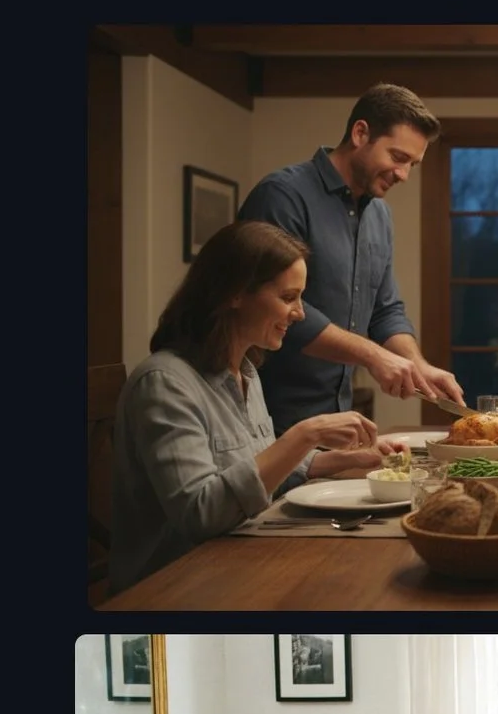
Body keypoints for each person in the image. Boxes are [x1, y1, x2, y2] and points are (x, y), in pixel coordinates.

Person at [107, 222, 387, 594]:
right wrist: (306, 434)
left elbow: (253, 468)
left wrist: (344, 459)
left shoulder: (247, 374)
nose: (300, 314)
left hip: (238, 561)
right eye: (289, 298)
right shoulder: (164, 383)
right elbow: (201, 514)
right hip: (174, 586)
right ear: (235, 293)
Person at [241, 84, 464, 435]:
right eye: (398, 157)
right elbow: (275, 305)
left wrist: (417, 367)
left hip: (337, 416)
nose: (403, 174)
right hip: (269, 416)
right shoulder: (283, 196)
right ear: (360, 133)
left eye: (413, 164)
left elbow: (385, 311)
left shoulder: (380, 217)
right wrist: (374, 357)